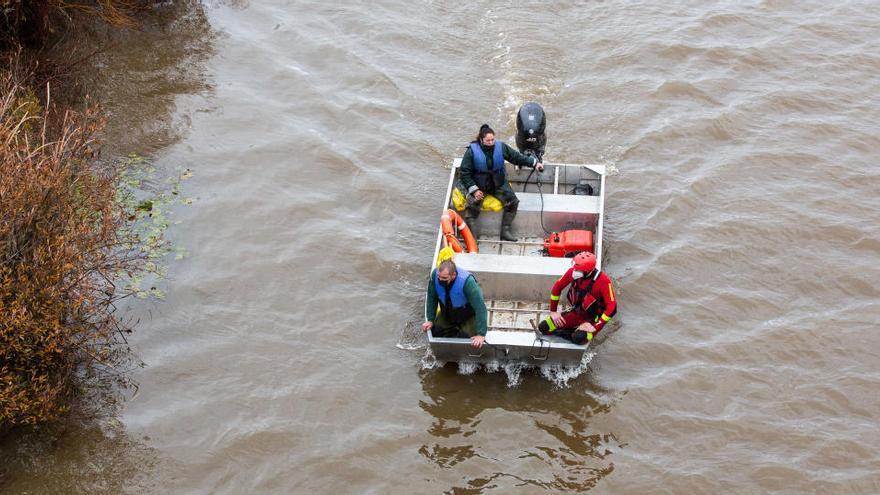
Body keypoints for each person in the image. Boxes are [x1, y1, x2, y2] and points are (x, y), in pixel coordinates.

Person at [459, 123, 544, 242]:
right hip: (479, 184)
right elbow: (464, 172)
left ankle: (505, 231)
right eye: (488, 140)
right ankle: (472, 238)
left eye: (492, 139)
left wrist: (534, 163)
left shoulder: (501, 147)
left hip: (497, 183)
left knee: (513, 202)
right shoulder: (471, 152)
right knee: (471, 208)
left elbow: (516, 157)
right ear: (481, 140)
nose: (491, 142)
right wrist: (474, 190)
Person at [537, 251, 617, 345]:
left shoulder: (604, 281)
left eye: (578, 270)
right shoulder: (573, 272)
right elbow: (557, 288)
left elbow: (612, 308)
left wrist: (595, 326)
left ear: (588, 271)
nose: (574, 271)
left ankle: (576, 332)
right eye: (574, 268)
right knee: (544, 327)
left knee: (579, 338)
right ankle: (573, 329)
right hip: (578, 312)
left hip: (593, 318)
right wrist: (553, 311)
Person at [422, 260, 488, 348]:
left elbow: (480, 307)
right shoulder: (435, 276)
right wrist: (430, 319)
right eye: (439, 277)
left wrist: (481, 334)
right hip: (447, 312)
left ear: (453, 275)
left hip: (467, 315)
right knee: (435, 332)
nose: (441, 280)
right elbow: (431, 297)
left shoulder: (468, 283)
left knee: (466, 339)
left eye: (444, 278)